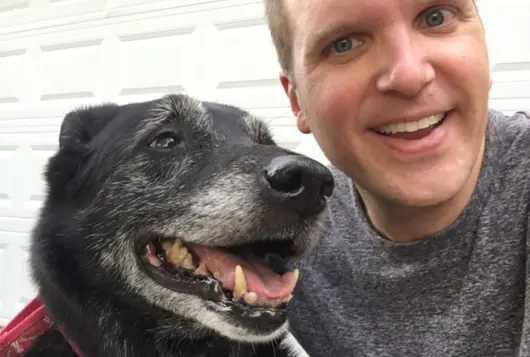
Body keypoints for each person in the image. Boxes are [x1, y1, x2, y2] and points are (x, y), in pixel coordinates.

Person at [262, 0, 530, 356]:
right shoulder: (282, 242)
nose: (409, 75)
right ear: (296, 101)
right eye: (344, 43)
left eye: (435, 18)